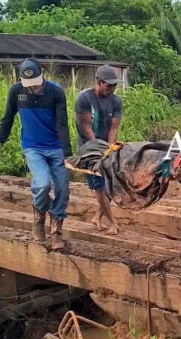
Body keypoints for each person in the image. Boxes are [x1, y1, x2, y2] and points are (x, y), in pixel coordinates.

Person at [0, 58, 72, 250]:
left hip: (55, 146)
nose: (32, 88)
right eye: (29, 85)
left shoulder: (56, 92)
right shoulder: (16, 91)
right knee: (42, 183)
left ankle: (57, 230)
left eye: (35, 83)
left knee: (62, 187)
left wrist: (67, 154)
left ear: (42, 73)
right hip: (32, 147)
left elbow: (62, 124)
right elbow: (7, 118)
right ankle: (39, 219)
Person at [74, 65, 123, 235]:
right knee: (100, 187)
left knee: (112, 181)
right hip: (88, 150)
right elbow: (87, 128)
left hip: (105, 147)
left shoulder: (116, 101)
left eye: (114, 85)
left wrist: (109, 151)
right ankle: (113, 222)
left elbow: (113, 128)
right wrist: (99, 153)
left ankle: (97, 217)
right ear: (99, 82)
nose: (112, 88)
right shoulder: (84, 99)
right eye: (109, 85)